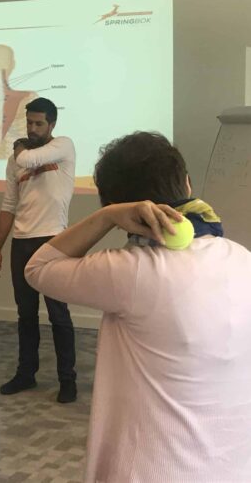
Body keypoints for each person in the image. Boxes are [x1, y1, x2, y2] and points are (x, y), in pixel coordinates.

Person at [25, 131, 251, 481]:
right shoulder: (241, 258)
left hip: (151, 470)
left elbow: (38, 268)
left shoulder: (131, 270)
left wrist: (106, 218)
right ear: (187, 184)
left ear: (118, 205)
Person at [0, 97, 77, 403]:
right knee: (25, 314)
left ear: (52, 124)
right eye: (29, 123)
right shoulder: (16, 159)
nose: (32, 128)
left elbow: (27, 160)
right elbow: (8, 205)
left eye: (39, 123)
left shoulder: (63, 146)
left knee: (58, 314)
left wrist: (18, 147)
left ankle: (67, 380)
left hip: (53, 241)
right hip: (22, 241)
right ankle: (26, 373)